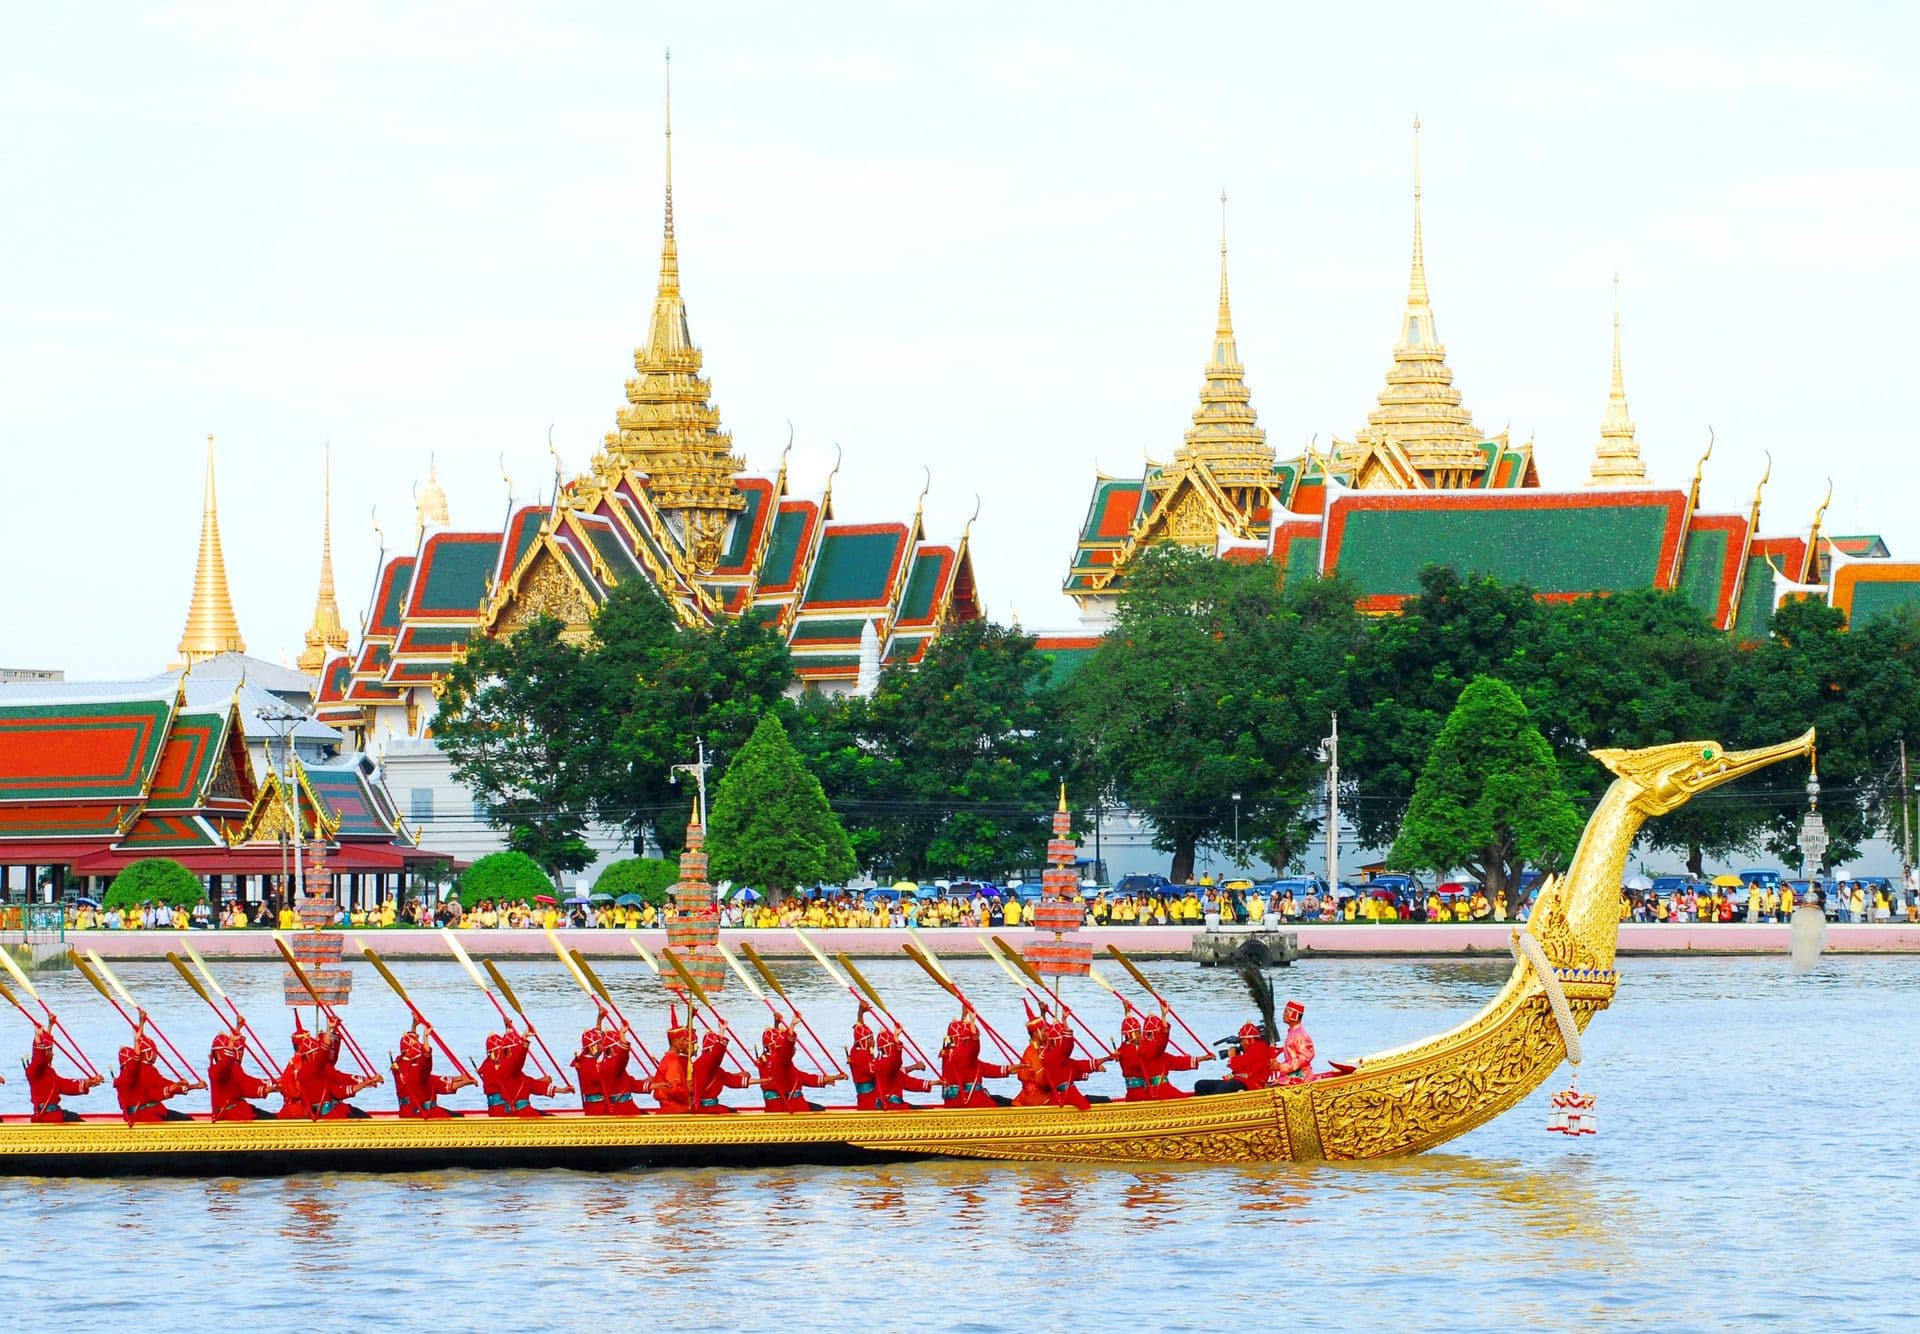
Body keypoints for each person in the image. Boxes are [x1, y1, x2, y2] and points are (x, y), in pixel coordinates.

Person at [113, 1020, 200, 1124]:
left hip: (156, 1110)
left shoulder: (142, 1071)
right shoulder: (134, 1074)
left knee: (187, 1120)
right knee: (187, 1122)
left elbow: (163, 1083)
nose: (156, 1055)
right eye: (154, 1052)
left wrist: (191, 1086)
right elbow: (152, 1093)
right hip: (146, 1115)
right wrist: (171, 1089)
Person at [757, 1015, 837, 1112]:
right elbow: (786, 1048)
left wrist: (832, 1078)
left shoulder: (767, 1060)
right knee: (820, 1110)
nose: (795, 1049)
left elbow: (803, 1077)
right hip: (788, 1106)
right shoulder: (780, 1060)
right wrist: (792, 1025)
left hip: (777, 1105)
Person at [24, 1021, 102, 1122]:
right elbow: (39, 1059)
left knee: (76, 1118)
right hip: (46, 1118)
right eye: (50, 1051)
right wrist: (38, 1038)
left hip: (55, 1115)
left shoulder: (50, 1073)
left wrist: (89, 1083)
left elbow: (67, 1085)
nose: (53, 1054)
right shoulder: (34, 1071)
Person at [300, 1019, 377, 1119]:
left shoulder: (320, 1071)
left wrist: (364, 1083)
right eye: (316, 1052)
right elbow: (324, 1051)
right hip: (329, 1114)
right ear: (308, 1055)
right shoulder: (310, 1069)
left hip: (335, 1109)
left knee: (363, 1116)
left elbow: (337, 1090)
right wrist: (329, 1029)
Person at [392, 1022, 472, 1118]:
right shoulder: (417, 1069)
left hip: (407, 1111)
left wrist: (414, 1026)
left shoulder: (398, 1065)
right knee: (458, 1117)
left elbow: (433, 1077)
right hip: (422, 1113)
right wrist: (425, 1037)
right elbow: (426, 1060)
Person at [479, 1023, 556, 1118]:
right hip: (504, 1110)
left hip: (502, 1108)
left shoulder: (488, 1066)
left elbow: (518, 1082)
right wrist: (524, 1039)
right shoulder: (495, 1067)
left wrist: (508, 1029)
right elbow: (517, 1060)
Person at [938, 1013, 1011, 1108]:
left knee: (998, 1098)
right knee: (1005, 1102)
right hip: (971, 1100)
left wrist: (965, 1013)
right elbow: (974, 1045)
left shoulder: (947, 1054)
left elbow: (984, 1068)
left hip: (952, 1101)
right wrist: (972, 1021)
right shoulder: (967, 1055)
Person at [208, 1022, 278, 1121]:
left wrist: (273, 1083)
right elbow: (244, 1086)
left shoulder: (233, 1067)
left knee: (270, 1116)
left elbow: (247, 1081)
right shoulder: (218, 1070)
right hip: (232, 1114)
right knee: (272, 1119)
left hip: (239, 1108)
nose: (240, 1054)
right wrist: (266, 1089)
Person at [1138, 1008, 1205, 1099]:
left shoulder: (1157, 1053)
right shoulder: (1151, 1049)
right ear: (1152, 1034)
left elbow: (1177, 1061)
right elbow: (1162, 1041)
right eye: (1158, 1032)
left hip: (1151, 1091)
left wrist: (1204, 1058)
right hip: (1160, 1091)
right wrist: (1164, 1016)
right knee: (1185, 1099)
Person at [1196, 1022, 1275, 1095]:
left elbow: (1237, 1065)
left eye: (1242, 1041)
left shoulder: (1259, 1047)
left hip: (1251, 1084)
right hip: (1240, 1081)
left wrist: (1232, 1056)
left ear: (1247, 1040)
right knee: (1201, 1085)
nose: (1241, 1044)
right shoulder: (1250, 1049)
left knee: (1227, 1086)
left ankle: (1213, 1103)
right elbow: (1241, 1069)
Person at [872, 1027, 933, 1110]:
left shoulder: (883, 1064)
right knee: (923, 1109)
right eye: (892, 1046)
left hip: (892, 1104)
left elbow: (905, 1078)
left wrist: (934, 1083)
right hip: (891, 1106)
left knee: (925, 1108)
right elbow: (896, 1062)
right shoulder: (883, 1063)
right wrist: (897, 1041)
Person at [647, 1009, 695, 1114]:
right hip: (675, 1109)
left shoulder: (670, 1058)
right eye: (683, 1040)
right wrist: (689, 1091)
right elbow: (674, 1090)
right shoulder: (672, 1062)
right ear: (675, 1041)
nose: (686, 1043)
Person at [846, 1008, 883, 1111]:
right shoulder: (863, 1057)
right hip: (870, 1101)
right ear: (863, 1041)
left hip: (866, 1098)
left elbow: (859, 1029)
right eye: (870, 1039)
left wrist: (860, 1012)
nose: (873, 1042)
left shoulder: (855, 1050)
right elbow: (882, 1071)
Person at [1272, 1000, 1316, 1084]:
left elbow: (1304, 1058)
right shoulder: (1293, 1032)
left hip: (1301, 1077)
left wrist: (1281, 1066)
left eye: (1286, 1011)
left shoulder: (1300, 1035)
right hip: (1291, 1075)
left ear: (1294, 1015)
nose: (1283, 1014)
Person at [572, 1023, 609, 1115]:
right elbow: (603, 1081)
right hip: (597, 1107)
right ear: (592, 1047)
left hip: (595, 1105)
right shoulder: (589, 1064)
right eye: (599, 1043)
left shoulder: (586, 1061)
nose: (602, 1046)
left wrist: (599, 1021)